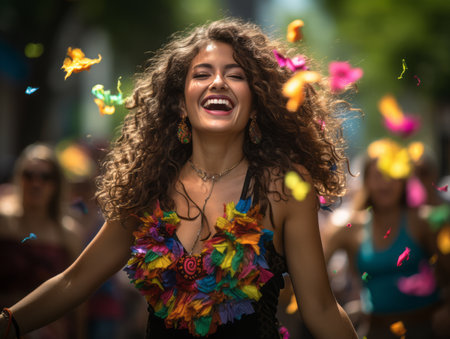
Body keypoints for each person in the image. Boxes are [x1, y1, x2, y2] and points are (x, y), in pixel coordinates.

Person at [0, 18, 357, 338]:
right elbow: (74, 281)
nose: (218, 82)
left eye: (235, 75)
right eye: (202, 74)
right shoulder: (149, 186)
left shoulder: (283, 189)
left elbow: (321, 310)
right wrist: (9, 322)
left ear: (257, 102)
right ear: (181, 103)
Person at [323, 140, 444, 339]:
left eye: (393, 175)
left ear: (404, 180)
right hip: (375, 330)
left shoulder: (423, 222)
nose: (385, 183)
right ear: (366, 180)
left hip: (425, 328)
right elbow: (313, 274)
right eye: (378, 175)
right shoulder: (347, 227)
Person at [0, 143, 84, 338]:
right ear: (19, 178)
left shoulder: (69, 233)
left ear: (56, 184)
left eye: (45, 177)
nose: (36, 183)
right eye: (29, 175)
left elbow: (77, 295)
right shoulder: (2, 222)